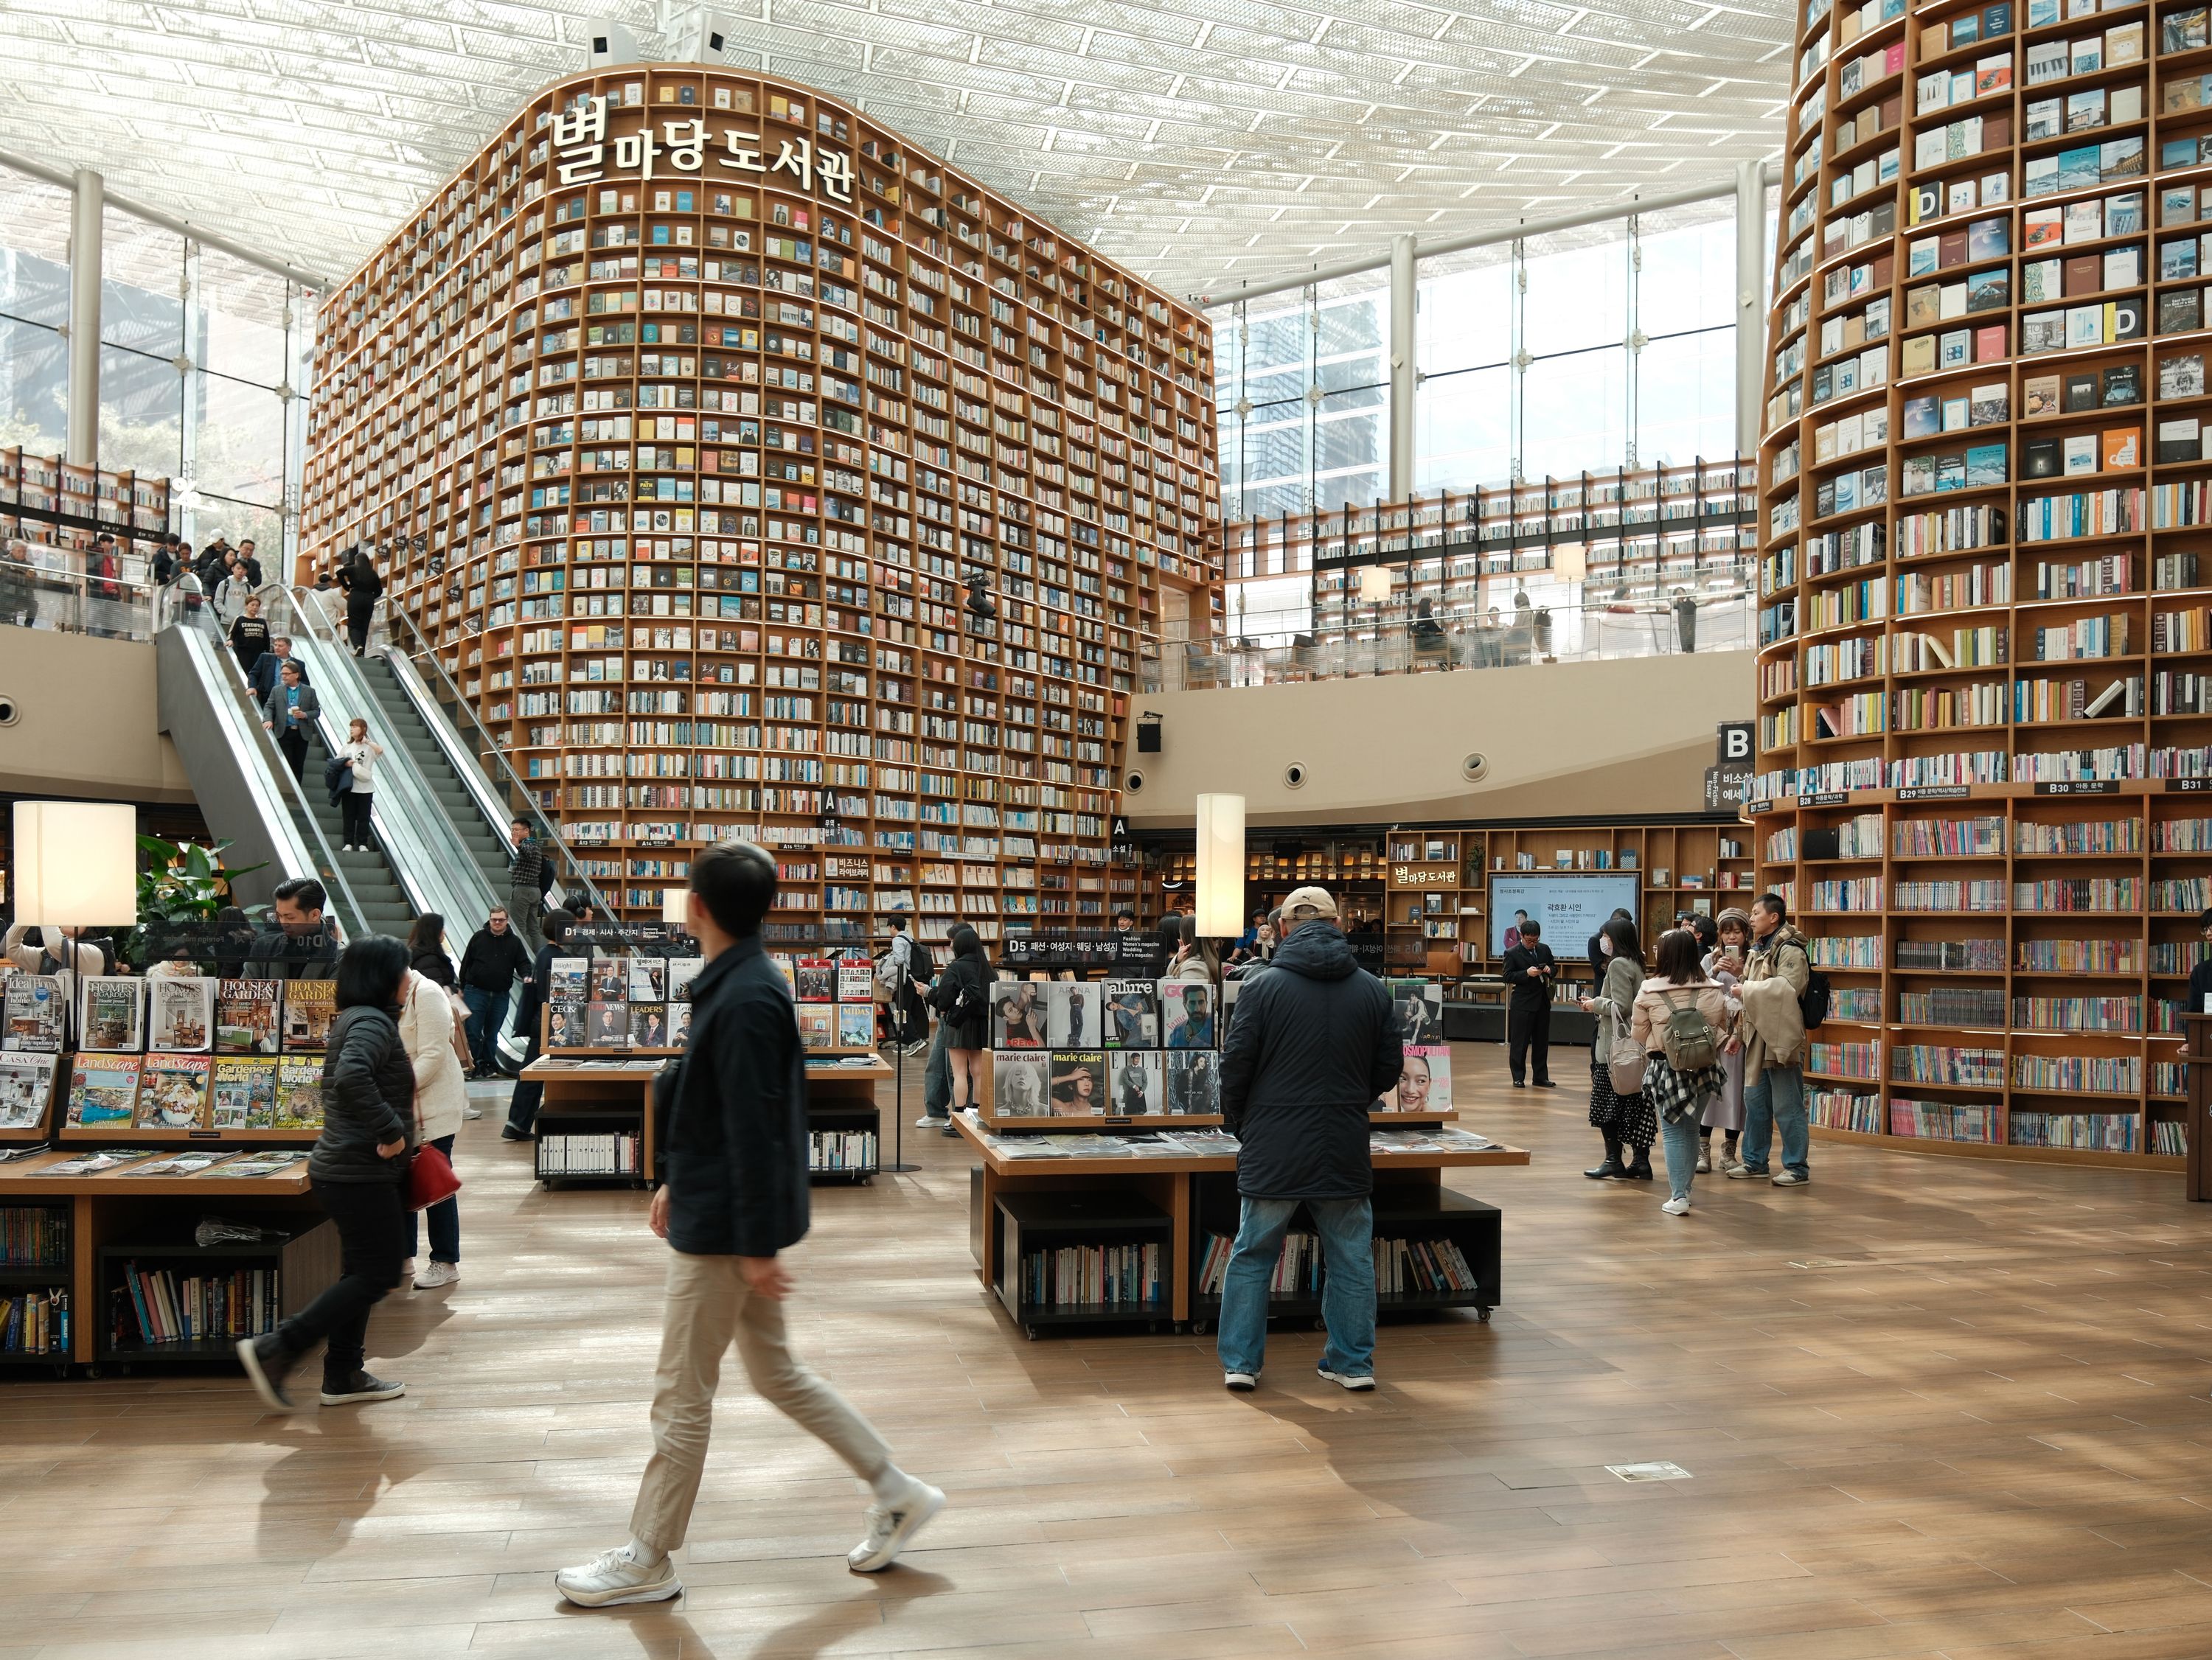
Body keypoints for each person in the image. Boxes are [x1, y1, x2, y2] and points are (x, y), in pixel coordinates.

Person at [554, 840, 942, 1608]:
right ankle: (896, 1488)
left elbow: (759, 1129)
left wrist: (756, 1246)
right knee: (775, 1373)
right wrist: (673, 1174)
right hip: (720, 1212)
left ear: (698, 906)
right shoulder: (740, 983)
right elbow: (714, 1104)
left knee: (680, 1391)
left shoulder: (744, 995)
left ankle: (648, 1553)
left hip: (726, 1232)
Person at [1215, 886, 1401, 1392]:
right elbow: (1389, 1067)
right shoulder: (1371, 988)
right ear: (1338, 925)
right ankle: (1352, 1363)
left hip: (1273, 1138)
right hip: (1342, 1137)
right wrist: (1350, 1099)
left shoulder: (1260, 986)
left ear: (1283, 929)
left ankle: (1241, 1363)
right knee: (1351, 1256)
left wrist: (1242, 1121)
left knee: (1254, 1253)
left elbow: (1235, 1066)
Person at [235, 934, 416, 1410]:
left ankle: (342, 1374)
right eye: (402, 970)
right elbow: (351, 1074)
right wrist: (391, 1130)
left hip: (349, 1169)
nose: (408, 979)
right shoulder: (372, 1023)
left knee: (361, 1272)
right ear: (383, 976)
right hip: (360, 1171)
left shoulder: (359, 1019)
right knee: (378, 1274)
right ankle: (279, 1347)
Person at [1630, 929, 1737, 1216]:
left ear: (1665, 955)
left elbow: (1638, 1033)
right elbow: (1720, 1027)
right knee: (1691, 1129)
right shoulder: (1714, 989)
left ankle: (1678, 1196)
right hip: (1704, 1068)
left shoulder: (1649, 990)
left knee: (1674, 1132)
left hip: (1667, 1068)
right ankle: (1685, 1189)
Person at [1730, 893, 1813, 1188]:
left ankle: (1796, 1167)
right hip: (1756, 1038)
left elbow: (1788, 989)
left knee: (1786, 1105)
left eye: (1756, 913)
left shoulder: (1791, 950)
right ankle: (1754, 1161)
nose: (1751, 919)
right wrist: (1737, 1034)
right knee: (1755, 1102)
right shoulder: (1758, 949)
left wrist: (1747, 988)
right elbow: (1751, 995)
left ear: (1773, 917)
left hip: (1780, 1039)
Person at [397, 960, 470, 1288]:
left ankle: (445, 1260)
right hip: (402, 1107)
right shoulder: (389, 994)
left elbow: (433, 1054)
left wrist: (395, 1087)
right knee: (403, 1178)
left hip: (433, 1106)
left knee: (434, 1179)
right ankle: (403, 1256)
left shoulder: (426, 994)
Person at [1579, 915, 1652, 1182]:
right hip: (1634, 1044)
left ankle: (1613, 1160)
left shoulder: (1618, 964)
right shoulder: (1635, 961)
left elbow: (1621, 1006)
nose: (1602, 941)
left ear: (1616, 939)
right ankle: (1641, 1162)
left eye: (1606, 937)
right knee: (1635, 1105)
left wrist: (1594, 1005)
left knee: (1608, 1104)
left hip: (1613, 1048)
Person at [503, 907, 577, 1138]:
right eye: (571, 928)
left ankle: (518, 1122)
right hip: (549, 1024)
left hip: (539, 1022)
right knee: (534, 1075)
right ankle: (517, 1123)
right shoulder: (558, 958)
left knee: (532, 1073)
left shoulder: (544, 953)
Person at [1700, 909, 1753, 1171]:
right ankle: (1703, 1151)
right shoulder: (1710, 958)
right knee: (1709, 1090)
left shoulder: (1753, 958)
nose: (1732, 937)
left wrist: (1742, 971)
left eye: (1737, 931)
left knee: (1736, 1091)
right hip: (1712, 1033)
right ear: (1719, 934)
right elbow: (1695, 990)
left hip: (1740, 1032)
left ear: (1745, 934)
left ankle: (1729, 1151)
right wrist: (1712, 972)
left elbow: (1758, 991)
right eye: (1727, 931)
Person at [459, 906, 531, 1078]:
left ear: (507, 921)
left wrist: (527, 975)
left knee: (492, 1034)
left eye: (501, 920)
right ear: (489, 920)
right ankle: (474, 1064)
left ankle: (489, 1065)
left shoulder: (514, 942)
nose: (497, 923)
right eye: (494, 919)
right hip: (476, 992)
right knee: (473, 1032)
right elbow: (466, 963)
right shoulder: (478, 938)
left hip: (500, 995)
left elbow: (522, 962)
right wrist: (461, 987)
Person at [926, 923, 988, 1116]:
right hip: (982, 1025)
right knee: (978, 1072)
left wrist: (928, 994)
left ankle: (960, 1115)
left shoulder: (956, 968)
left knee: (959, 1072)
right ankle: (977, 1114)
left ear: (959, 945)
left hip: (959, 1025)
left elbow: (944, 1001)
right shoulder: (987, 968)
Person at [1500, 917, 1557, 1088]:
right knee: (1520, 1043)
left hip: (1542, 1002)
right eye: (1529, 940)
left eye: (1536, 940)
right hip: (1523, 1004)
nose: (1533, 943)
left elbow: (1554, 968)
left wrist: (1549, 970)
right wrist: (1526, 973)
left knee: (1541, 1043)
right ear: (1522, 936)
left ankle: (1540, 1077)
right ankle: (1518, 1077)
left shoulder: (1545, 949)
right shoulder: (1512, 952)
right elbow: (1507, 976)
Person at [246, 877, 340, 979]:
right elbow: (244, 991)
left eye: (290, 917)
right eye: (279, 916)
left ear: (315, 915)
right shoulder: (263, 947)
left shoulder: (340, 956)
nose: (283, 923)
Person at [262, 660, 319, 781]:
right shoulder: (277, 690)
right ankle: (285, 790)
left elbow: (316, 711)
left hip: (301, 733)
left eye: (287, 674)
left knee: (298, 765)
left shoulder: (309, 691)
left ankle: (297, 795)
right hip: (283, 731)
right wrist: (268, 720)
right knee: (286, 764)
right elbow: (269, 706)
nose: (284, 676)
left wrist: (304, 714)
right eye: (283, 674)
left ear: (296, 675)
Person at [335, 717, 383, 853]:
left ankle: (363, 843)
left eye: (355, 727)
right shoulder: (347, 747)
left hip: (366, 788)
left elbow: (380, 751)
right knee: (348, 816)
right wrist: (345, 763)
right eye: (351, 727)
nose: (351, 729)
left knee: (364, 817)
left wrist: (367, 741)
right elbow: (336, 762)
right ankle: (348, 842)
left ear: (363, 729)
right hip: (349, 787)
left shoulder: (369, 747)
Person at [508, 817, 554, 955]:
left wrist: (518, 846)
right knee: (533, 927)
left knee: (519, 926)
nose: (514, 833)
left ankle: (520, 958)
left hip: (523, 890)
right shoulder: (535, 846)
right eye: (512, 830)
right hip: (535, 891)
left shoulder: (528, 845)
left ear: (527, 831)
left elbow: (526, 853)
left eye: (516, 830)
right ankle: (536, 956)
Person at [338, 548, 383, 656]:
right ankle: (362, 649)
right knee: (364, 626)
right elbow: (379, 591)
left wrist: (347, 587)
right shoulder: (373, 574)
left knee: (354, 624)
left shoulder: (353, 569)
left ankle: (358, 646)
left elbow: (339, 573)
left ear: (357, 561)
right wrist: (371, 597)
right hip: (368, 599)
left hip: (356, 596)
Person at [248, 635, 306, 703]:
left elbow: (305, 682)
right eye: (275, 645)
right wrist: (252, 687)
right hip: (267, 698)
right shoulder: (265, 658)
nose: (276, 648)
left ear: (289, 648)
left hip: (289, 700)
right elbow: (253, 674)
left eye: (280, 646)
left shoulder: (299, 664)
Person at [408, 913, 456, 991]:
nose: (444, 932)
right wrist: (454, 990)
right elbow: (435, 991)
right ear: (434, 931)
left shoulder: (424, 952)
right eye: (442, 928)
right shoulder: (427, 959)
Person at [1167, 915, 1219, 987]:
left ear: (1187, 937)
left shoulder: (1193, 967)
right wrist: (1177, 960)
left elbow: (1186, 995)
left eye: (1181, 935)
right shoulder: (1211, 960)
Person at [228, 593, 271, 677]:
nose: (255, 607)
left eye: (257, 606)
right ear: (246, 606)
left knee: (256, 675)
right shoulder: (239, 619)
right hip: (243, 653)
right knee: (244, 673)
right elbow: (232, 633)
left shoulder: (262, 621)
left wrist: (267, 651)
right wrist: (230, 640)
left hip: (258, 653)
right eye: (252, 605)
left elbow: (266, 638)